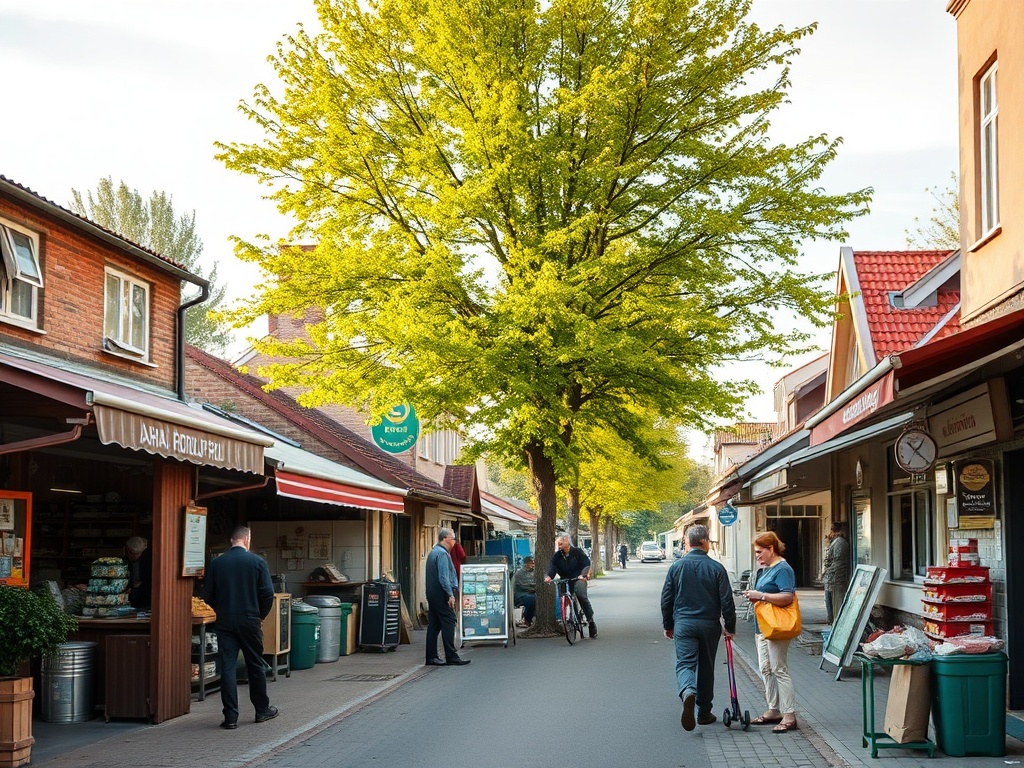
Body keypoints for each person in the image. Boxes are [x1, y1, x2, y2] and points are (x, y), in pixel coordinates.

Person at [201, 526, 278, 729]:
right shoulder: (257, 562)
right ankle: (262, 710)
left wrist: (220, 609)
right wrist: (260, 614)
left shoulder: (217, 563)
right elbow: (268, 593)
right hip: (250, 619)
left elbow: (206, 594)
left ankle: (230, 717)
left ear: (231, 540)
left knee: (227, 666)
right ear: (247, 540)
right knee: (255, 664)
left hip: (225, 621)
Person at [660, 524, 736, 731]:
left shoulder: (676, 567)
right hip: (709, 625)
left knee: (685, 664)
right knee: (706, 666)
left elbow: (666, 598)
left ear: (687, 543)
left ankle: (687, 691)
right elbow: (727, 601)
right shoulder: (717, 568)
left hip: (683, 624)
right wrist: (729, 626)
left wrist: (668, 624)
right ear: (705, 542)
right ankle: (704, 712)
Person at [743, 531, 799, 733]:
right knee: (765, 668)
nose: (757, 556)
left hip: (777, 627)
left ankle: (790, 714)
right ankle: (773, 709)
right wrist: (755, 595)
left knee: (779, 669)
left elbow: (787, 597)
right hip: (763, 626)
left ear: (770, 549)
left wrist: (761, 595)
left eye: (759, 552)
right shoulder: (766, 568)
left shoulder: (783, 569)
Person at [425, 528, 470, 666]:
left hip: (432, 593)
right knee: (449, 621)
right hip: (441, 593)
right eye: (453, 538)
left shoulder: (433, 552)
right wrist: (450, 594)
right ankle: (451, 656)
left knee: (434, 624)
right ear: (445, 538)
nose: (454, 542)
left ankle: (431, 657)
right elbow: (443, 577)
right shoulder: (443, 554)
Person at [544, 534, 597, 638]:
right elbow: (552, 567)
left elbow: (586, 563)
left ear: (567, 541)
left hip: (578, 578)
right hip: (565, 579)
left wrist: (584, 575)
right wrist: (549, 576)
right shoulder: (557, 555)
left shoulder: (577, 552)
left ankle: (591, 621)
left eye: (560, 543)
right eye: (557, 544)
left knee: (581, 595)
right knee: (562, 597)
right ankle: (566, 618)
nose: (558, 546)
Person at [822, 521, 850, 625]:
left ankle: (835, 620)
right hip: (831, 578)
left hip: (836, 578)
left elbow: (839, 562)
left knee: (836, 600)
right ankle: (831, 619)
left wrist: (828, 571)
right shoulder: (834, 542)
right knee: (829, 600)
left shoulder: (840, 543)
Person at [124, 536, 152, 610]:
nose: (130, 554)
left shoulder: (149, 561)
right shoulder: (126, 560)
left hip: (145, 600)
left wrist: (139, 585)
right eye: (129, 552)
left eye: (133, 553)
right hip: (130, 599)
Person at [512, 556, 536, 626]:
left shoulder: (535, 572)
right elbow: (521, 585)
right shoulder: (519, 573)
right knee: (531, 599)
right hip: (521, 594)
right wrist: (532, 587)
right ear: (526, 564)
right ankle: (527, 619)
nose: (533, 565)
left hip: (533, 593)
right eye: (531, 563)